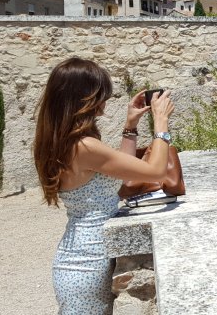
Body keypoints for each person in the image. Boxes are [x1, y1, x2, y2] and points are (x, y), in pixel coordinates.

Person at [33, 57, 174, 314]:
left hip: (81, 257)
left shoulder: (67, 142)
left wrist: (131, 125)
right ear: (84, 99)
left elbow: (122, 173)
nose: (105, 102)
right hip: (86, 264)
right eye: (102, 95)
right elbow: (155, 171)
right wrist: (161, 123)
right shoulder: (84, 147)